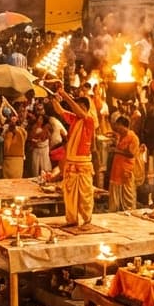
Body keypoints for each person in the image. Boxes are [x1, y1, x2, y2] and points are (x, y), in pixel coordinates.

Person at [51, 83, 97, 226]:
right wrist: (54, 97)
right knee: (69, 194)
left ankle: (87, 219)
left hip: (82, 163)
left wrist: (65, 95)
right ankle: (72, 219)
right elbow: (59, 110)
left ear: (84, 108)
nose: (75, 109)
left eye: (78, 106)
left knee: (85, 195)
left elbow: (78, 111)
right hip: (71, 162)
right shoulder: (74, 119)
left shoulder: (89, 120)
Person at [106, 114, 140, 213]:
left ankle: (129, 212)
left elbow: (131, 154)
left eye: (118, 126)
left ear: (124, 125)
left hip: (126, 171)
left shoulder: (133, 137)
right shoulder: (121, 135)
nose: (117, 128)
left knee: (127, 197)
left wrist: (116, 151)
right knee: (115, 193)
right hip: (117, 170)